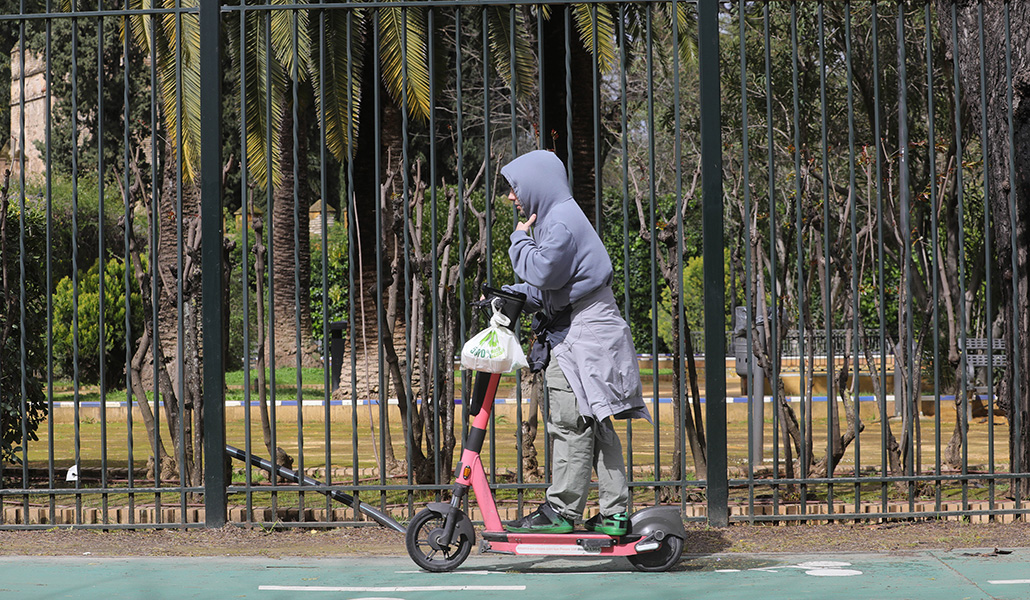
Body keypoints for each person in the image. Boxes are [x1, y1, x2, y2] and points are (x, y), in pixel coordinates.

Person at [500, 150, 650, 536]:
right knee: (597, 423)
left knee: (570, 421)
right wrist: (511, 293)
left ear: (536, 184)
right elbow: (550, 287)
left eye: (515, 188)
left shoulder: (561, 223)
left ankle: (561, 511)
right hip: (588, 327)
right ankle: (615, 513)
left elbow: (543, 272)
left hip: (582, 332)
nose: (512, 197)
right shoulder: (559, 219)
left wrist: (518, 239)